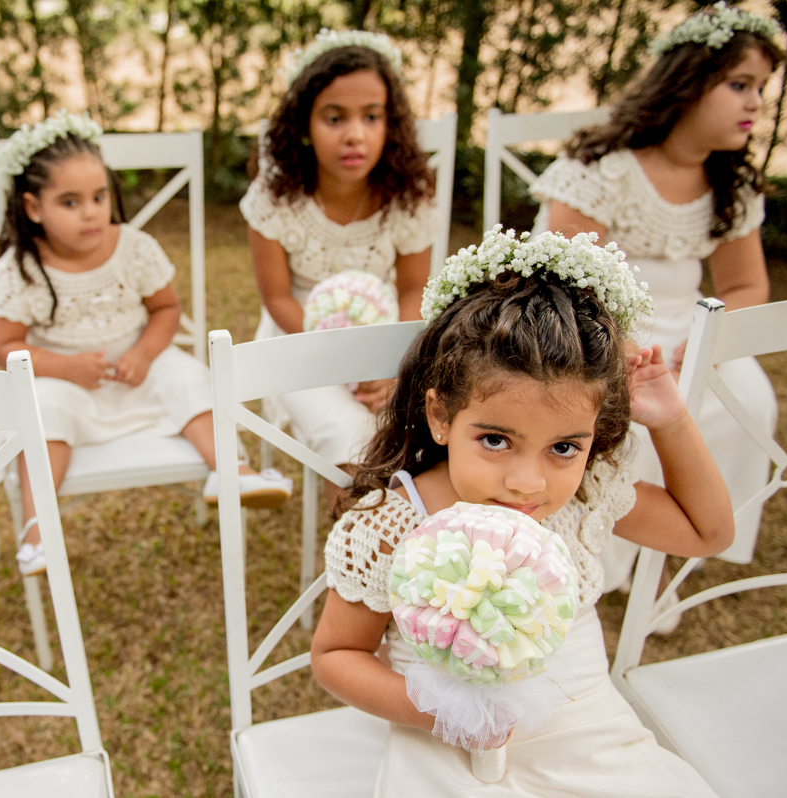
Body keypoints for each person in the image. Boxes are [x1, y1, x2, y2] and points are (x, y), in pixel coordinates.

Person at [310, 227, 732, 796]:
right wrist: (446, 714)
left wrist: (671, 420)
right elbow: (336, 655)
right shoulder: (392, 524)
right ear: (441, 416)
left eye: (564, 447)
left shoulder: (583, 496)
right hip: (448, 752)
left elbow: (708, 533)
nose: (527, 482)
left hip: (594, 745)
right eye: (495, 440)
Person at [529, 2, 785, 598]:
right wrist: (622, 345)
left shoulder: (730, 185)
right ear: (688, 85)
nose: (755, 103)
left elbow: (746, 286)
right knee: (629, 414)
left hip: (690, 330)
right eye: (739, 85)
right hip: (598, 325)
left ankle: (677, 541)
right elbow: (567, 279)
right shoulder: (606, 168)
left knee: (749, 397)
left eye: (761, 89)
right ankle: (604, 542)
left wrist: (709, 342)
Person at [0, 111, 292, 576]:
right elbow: (5, 346)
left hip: (139, 370)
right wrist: (64, 367)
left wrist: (145, 353)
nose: (91, 212)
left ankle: (232, 472)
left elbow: (166, 309)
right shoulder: (20, 269)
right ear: (33, 207)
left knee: (187, 376)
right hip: (66, 383)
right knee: (40, 412)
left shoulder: (134, 247)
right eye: (70, 202)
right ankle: (37, 529)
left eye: (99, 196)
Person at [241, 29, 436, 481]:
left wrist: (392, 363)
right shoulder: (275, 198)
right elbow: (277, 298)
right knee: (348, 435)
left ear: (390, 124)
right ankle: (353, 523)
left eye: (371, 117)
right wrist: (342, 360)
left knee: (420, 430)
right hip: (297, 337)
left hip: (385, 336)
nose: (355, 135)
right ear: (304, 125)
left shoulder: (407, 195)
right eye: (334, 118)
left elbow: (413, 289)